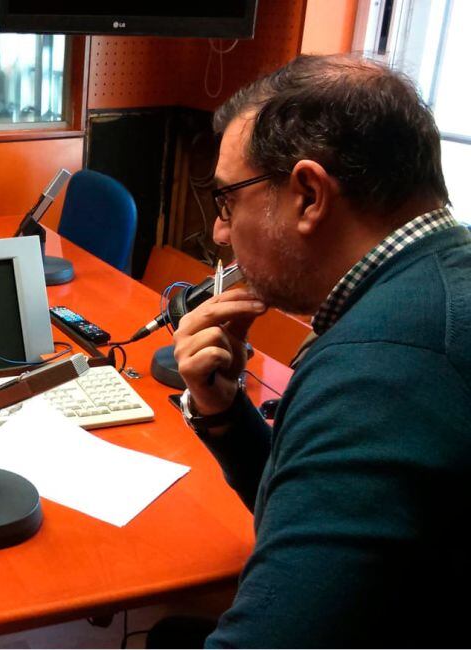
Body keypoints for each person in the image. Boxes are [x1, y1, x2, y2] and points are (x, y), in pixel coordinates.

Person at [170, 53, 467, 647]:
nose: (221, 232)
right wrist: (225, 412)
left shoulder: (381, 370)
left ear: (309, 194)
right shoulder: (441, 286)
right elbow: (312, 515)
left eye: (228, 200)